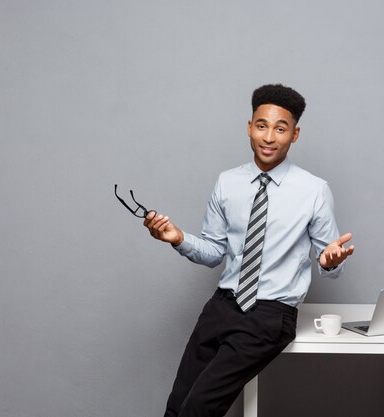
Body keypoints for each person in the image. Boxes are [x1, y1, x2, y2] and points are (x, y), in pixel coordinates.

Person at [143, 84, 355, 417]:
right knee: (178, 406)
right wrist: (178, 237)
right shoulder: (227, 182)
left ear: (294, 135)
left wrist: (329, 262)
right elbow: (214, 251)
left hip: (270, 315)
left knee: (200, 407)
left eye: (280, 128)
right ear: (249, 127)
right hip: (221, 306)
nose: (269, 137)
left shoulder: (314, 191)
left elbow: (330, 257)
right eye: (261, 125)